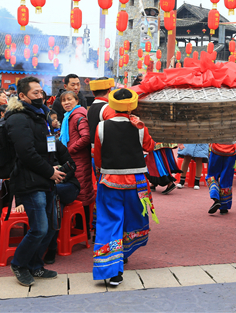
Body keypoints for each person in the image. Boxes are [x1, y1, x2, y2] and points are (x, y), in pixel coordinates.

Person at [92, 88, 156, 286]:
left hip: (110, 180)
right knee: (132, 219)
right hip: (136, 183)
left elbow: (98, 156)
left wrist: (103, 169)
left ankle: (112, 270)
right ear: (132, 105)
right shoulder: (139, 127)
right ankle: (124, 253)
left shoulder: (101, 127)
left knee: (109, 222)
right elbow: (149, 146)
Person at [5, 76, 63, 286]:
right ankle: (19, 264)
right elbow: (26, 153)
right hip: (29, 181)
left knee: (48, 228)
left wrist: (58, 163)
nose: (41, 96)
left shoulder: (40, 115)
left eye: (41, 92)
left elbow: (48, 145)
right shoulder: (18, 118)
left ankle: (36, 266)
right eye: (35, 93)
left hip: (45, 178)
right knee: (39, 228)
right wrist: (50, 171)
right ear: (22, 96)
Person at [59, 91, 95, 236]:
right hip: (74, 161)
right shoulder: (69, 116)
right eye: (63, 100)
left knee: (83, 194)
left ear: (76, 100)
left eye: (69, 100)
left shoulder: (78, 116)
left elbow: (86, 137)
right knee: (80, 193)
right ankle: (81, 228)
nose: (66, 103)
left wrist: (69, 150)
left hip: (79, 160)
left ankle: (84, 229)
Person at [42, 140, 81, 265]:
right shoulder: (29, 146)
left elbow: (72, 166)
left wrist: (59, 176)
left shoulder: (55, 143)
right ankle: (51, 247)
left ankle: (48, 247)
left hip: (68, 186)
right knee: (55, 202)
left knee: (53, 194)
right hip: (50, 190)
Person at [207, 142, 236, 215]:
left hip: (216, 149)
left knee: (212, 176)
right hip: (231, 151)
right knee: (226, 178)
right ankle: (224, 206)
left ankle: (215, 197)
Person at [87, 78, 115, 153]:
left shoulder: (90, 108)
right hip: (105, 151)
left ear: (93, 93)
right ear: (109, 90)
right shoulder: (108, 108)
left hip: (93, 149)